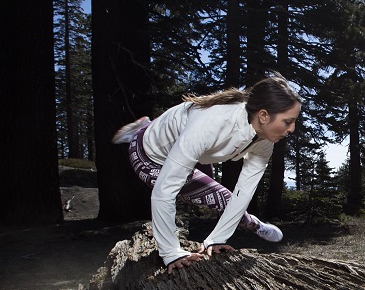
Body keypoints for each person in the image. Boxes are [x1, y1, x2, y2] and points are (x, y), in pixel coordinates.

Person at [112, 74, 302, 274]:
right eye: (288, 121)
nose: (292, 129)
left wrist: (217, 239)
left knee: (227, 199)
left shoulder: (264, 142)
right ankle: (139, 134)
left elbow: (244, 191)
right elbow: (163, 192)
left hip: (192, 152)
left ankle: (147, 126)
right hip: (149, 157)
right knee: (221, 198)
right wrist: (171, 252)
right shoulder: (211, 125)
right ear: (264, 116)